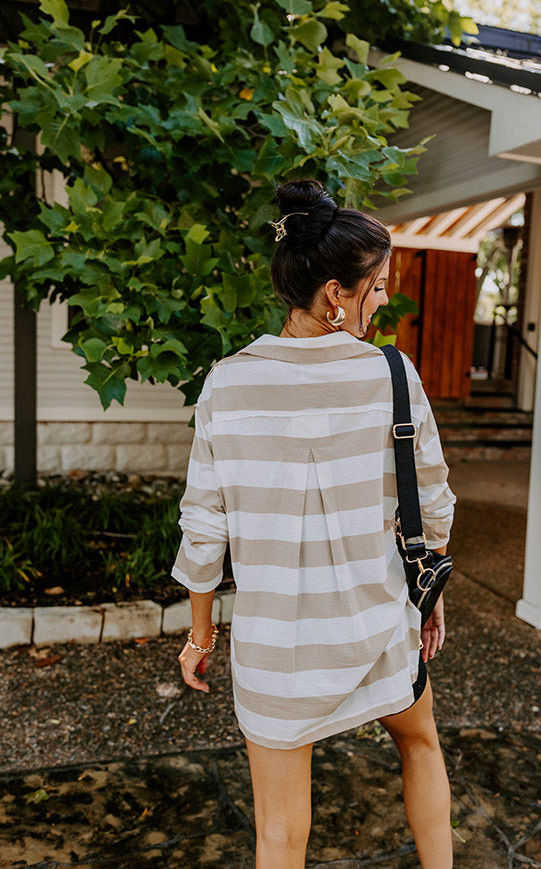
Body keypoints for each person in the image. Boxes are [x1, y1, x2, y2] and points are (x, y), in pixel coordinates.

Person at [174, 178, 456, 869]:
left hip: (276, 652)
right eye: (378, 286)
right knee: (420, 744)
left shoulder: (227, 382)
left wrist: (200, 635)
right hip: (377, 626)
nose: (384, 298)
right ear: (337, 291)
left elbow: (204, 527)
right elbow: (436, 504)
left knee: (278, 833)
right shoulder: (394, 374)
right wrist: (432, 600)